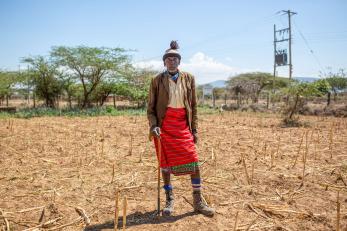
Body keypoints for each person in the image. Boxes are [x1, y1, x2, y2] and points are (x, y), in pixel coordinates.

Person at [147, 41, 215, 217]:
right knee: (165, 165)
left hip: (183, 126)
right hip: (164, 127)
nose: (172, 61)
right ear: (164, 62)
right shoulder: (156, 80)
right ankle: (169, 199)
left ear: (179, 61)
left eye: (175, 58)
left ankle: (198, 201)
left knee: (194, 161)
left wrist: (195, 130)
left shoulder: (189, 78)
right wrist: (154, 126)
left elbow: (193, 106)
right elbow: (151, 108)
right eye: (169, 58)